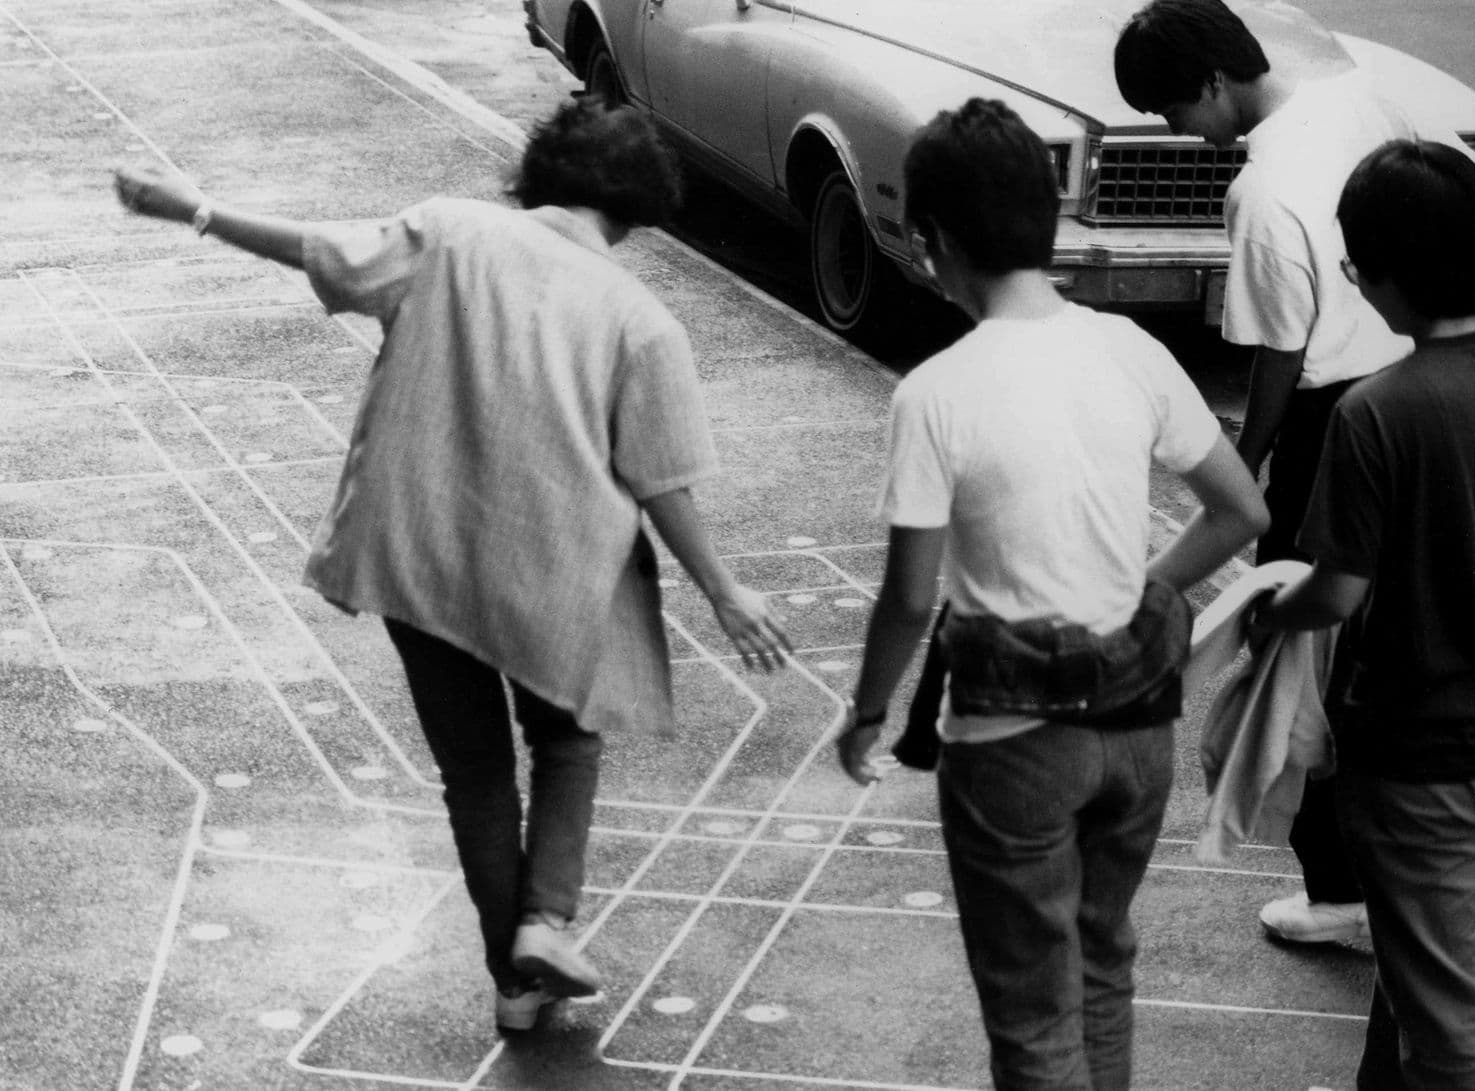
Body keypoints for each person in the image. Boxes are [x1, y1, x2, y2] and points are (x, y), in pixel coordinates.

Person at [113, 98, 793, 1033]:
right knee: (564, 741)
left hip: (418, 550)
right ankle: (546, 920)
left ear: (536, 175)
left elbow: (318, 248)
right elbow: (663, 479)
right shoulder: (643, 322)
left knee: (474, 770)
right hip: (556, 573)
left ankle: (515, 979)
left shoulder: (449, 232)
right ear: (638, 214)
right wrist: (725, 590)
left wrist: (192, 207)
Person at [835, 98, 1268, 1091]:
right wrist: (1139, 586)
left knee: (1032, 1017)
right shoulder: (1128, 349)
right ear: (1051, 215)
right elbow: (1240, 511)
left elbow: (908, 597)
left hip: (1010, 741)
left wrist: (866, 712)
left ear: (936, 241)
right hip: (1135, 729)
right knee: (1101, 965)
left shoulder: (938, 390)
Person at [1114, 0, 1470, 945]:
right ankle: (1405, 861)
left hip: (1331, 418)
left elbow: (1277, 356)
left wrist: (1254, 461)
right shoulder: (1362, 99)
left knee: (1309, 658)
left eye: (1169, 114)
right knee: (1398, 636)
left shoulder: (1264, 192)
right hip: (1417, 376)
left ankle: (1339, 889)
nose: (1177, 135)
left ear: (1212, 84)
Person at [1251, 139, 1475, 1091]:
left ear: (1380, 278)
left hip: (1422, 765)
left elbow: (1339, 594)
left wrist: (1270, 602)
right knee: (1436, 969)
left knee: (1457, 1025)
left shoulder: (1378, 412)